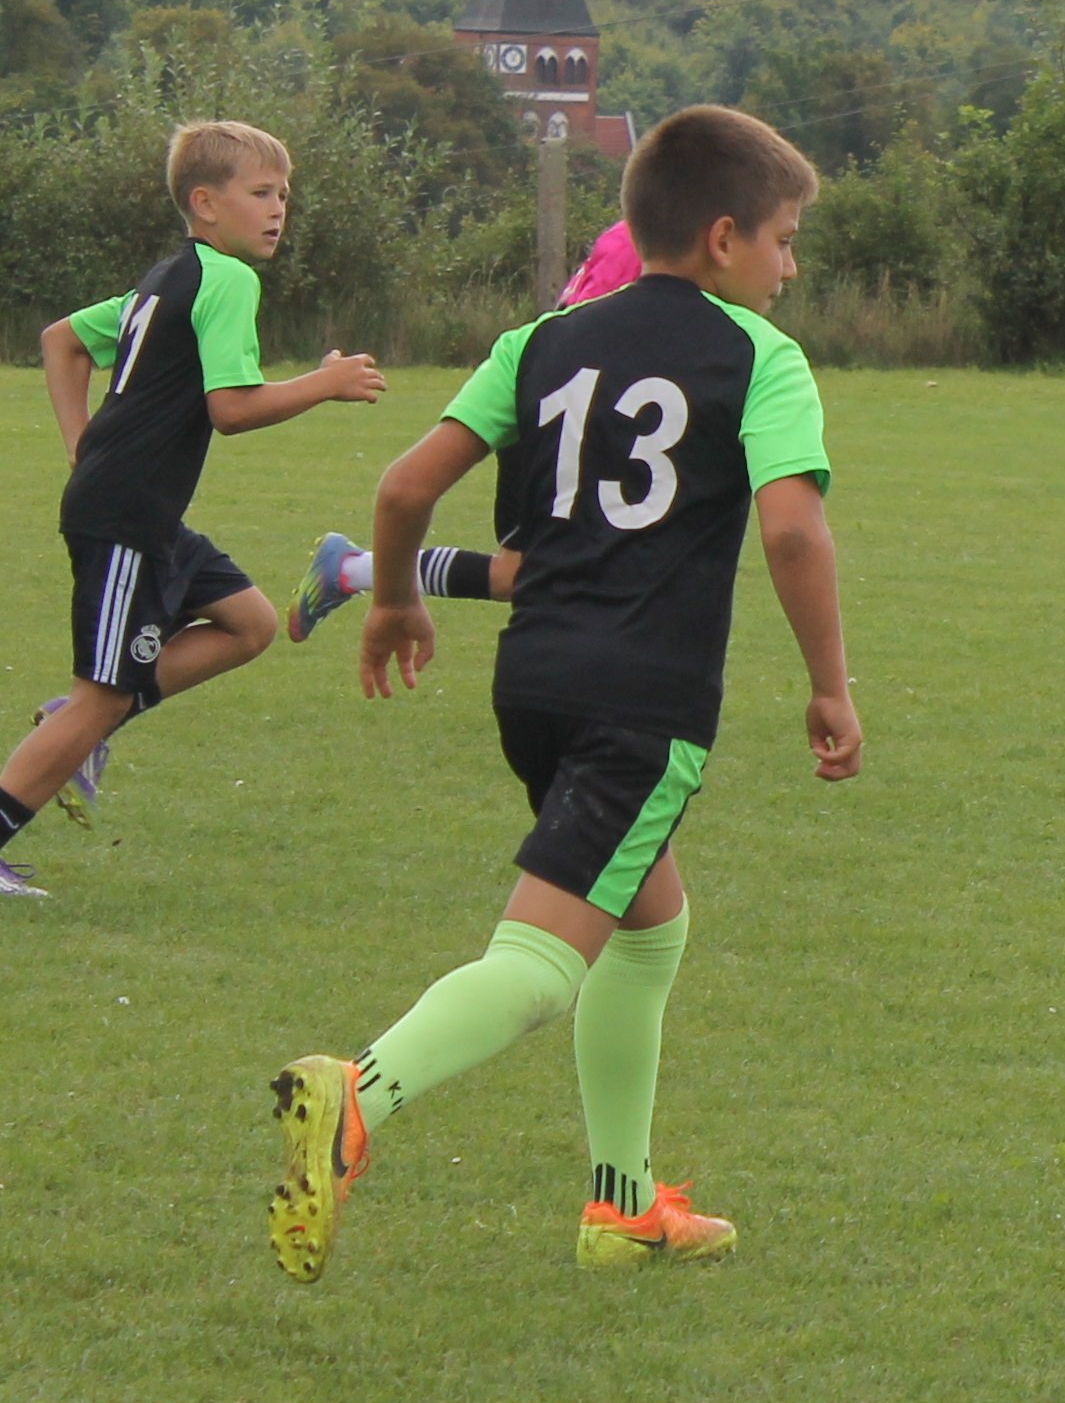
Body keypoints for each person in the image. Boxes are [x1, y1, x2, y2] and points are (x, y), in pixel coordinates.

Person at [262, 107, 860, 1282]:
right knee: (541, 960)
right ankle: (356, 1094)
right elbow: (793, 531)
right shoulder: (760, 356)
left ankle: (621, 1205)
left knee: (651, 923)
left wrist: (392, 600)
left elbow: (404, 487)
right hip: (644, 702)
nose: (790, 268)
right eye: (785, 240)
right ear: (726, 236)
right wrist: (830, 686)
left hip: (533, 683)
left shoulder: (540, 341)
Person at [1, 121, 384, 897]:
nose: (278, 209)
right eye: (261, 193)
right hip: (125, 514)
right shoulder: (226, 279)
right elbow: (231, 409)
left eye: (284, 195)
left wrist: (81, 444)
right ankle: (78, 725)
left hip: (136, 507)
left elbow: (59, 340)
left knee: (249, 623)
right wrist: (324, 383)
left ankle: (81, 718)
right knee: (101, 695)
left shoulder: (168, 276)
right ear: (205, 203)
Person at [284, 215, 639, 640]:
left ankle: (352, 569)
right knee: (525, 573)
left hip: (594, 404)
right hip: (570, 405)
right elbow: (589, 328)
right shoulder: (639, 237)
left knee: (528, 573)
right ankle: (352, 569)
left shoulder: (656, 224)